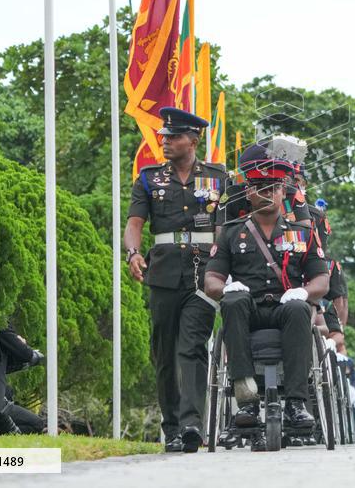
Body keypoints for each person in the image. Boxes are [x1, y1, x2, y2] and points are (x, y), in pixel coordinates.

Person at [204, 140, 329, 448]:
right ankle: (246, 399)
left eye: (273, 187)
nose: (267, 193)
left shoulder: (301, 233)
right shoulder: (233, 232)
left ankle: (297, 404)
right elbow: (211, 280)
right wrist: (226, 287)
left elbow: (322, 280)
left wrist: (303, 290)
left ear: (283, 191)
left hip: (287, 309)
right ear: (249, 191)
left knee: (301, 308)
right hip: (249, 309)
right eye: (259, 186)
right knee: (232, 300)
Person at [125, 107, 227, 452]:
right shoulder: (149, 179)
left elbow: (227, 225)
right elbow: (135, 223)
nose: (165, 142)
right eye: (163, 137)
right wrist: (132, 253)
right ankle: (171, 427)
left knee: (192, 346)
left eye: (173, 137)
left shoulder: (218, 177)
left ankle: (191, 425)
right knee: (164, 353)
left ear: (193, 141)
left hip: (204, 274)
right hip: (164, 274)